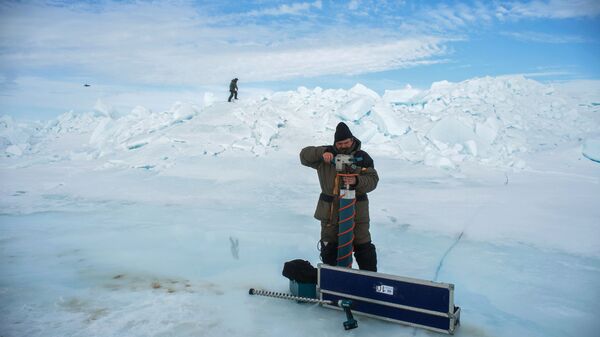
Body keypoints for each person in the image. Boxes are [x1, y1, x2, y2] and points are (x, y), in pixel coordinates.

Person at [300, 122, 379, 271]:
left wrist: (357, 181)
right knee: (330, 248)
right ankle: (331, 282)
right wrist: (321, 153)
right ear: (335, 143)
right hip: (330, 213)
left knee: (364, 248)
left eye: (346, 142)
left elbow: (373, 180)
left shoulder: (362, 157)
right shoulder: (326, 155)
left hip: (357, 213)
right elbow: (304, 155)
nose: (343, 146)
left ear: (352, 140)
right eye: (340, 143)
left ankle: (369, 283)